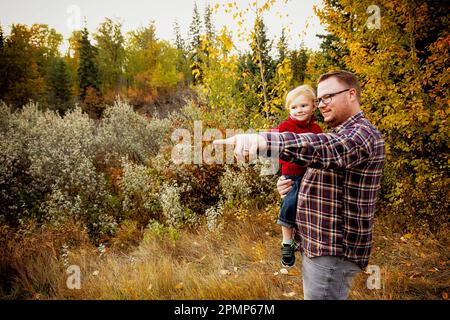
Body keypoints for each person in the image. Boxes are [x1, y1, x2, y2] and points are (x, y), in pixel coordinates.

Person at [214, 70, 386, 300]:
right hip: (319, 245)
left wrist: (261, 140)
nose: (322, 104)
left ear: (351, 94)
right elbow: (322, 166)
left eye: (327, 97)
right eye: (320, 99)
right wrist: (291, 185)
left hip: (332, 250)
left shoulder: (362, 134)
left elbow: (323, 147)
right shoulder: (340, 132)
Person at [271, 85, 322, 267]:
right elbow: (278, 146)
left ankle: (309, 241)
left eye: (303, 106)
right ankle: (287, 242)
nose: (299, 110)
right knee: (289, 204)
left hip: (312, 176)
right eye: (294, 107)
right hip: (292, 176)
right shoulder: (286, 126)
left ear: (314, 106)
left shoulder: (317, 129)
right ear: (289, 110)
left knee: (310, 208)